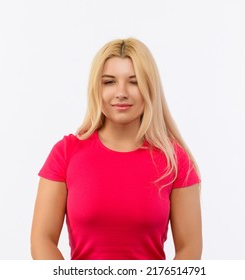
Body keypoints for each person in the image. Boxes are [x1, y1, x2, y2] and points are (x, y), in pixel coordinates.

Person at [30, 38, 202, 260]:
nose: (121, 92)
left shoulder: (175, 160)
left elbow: (190, 249)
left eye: (134, 81)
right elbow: (42, 239)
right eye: (109, 82)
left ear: (150, 87)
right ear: (96, 88)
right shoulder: (66, 153)